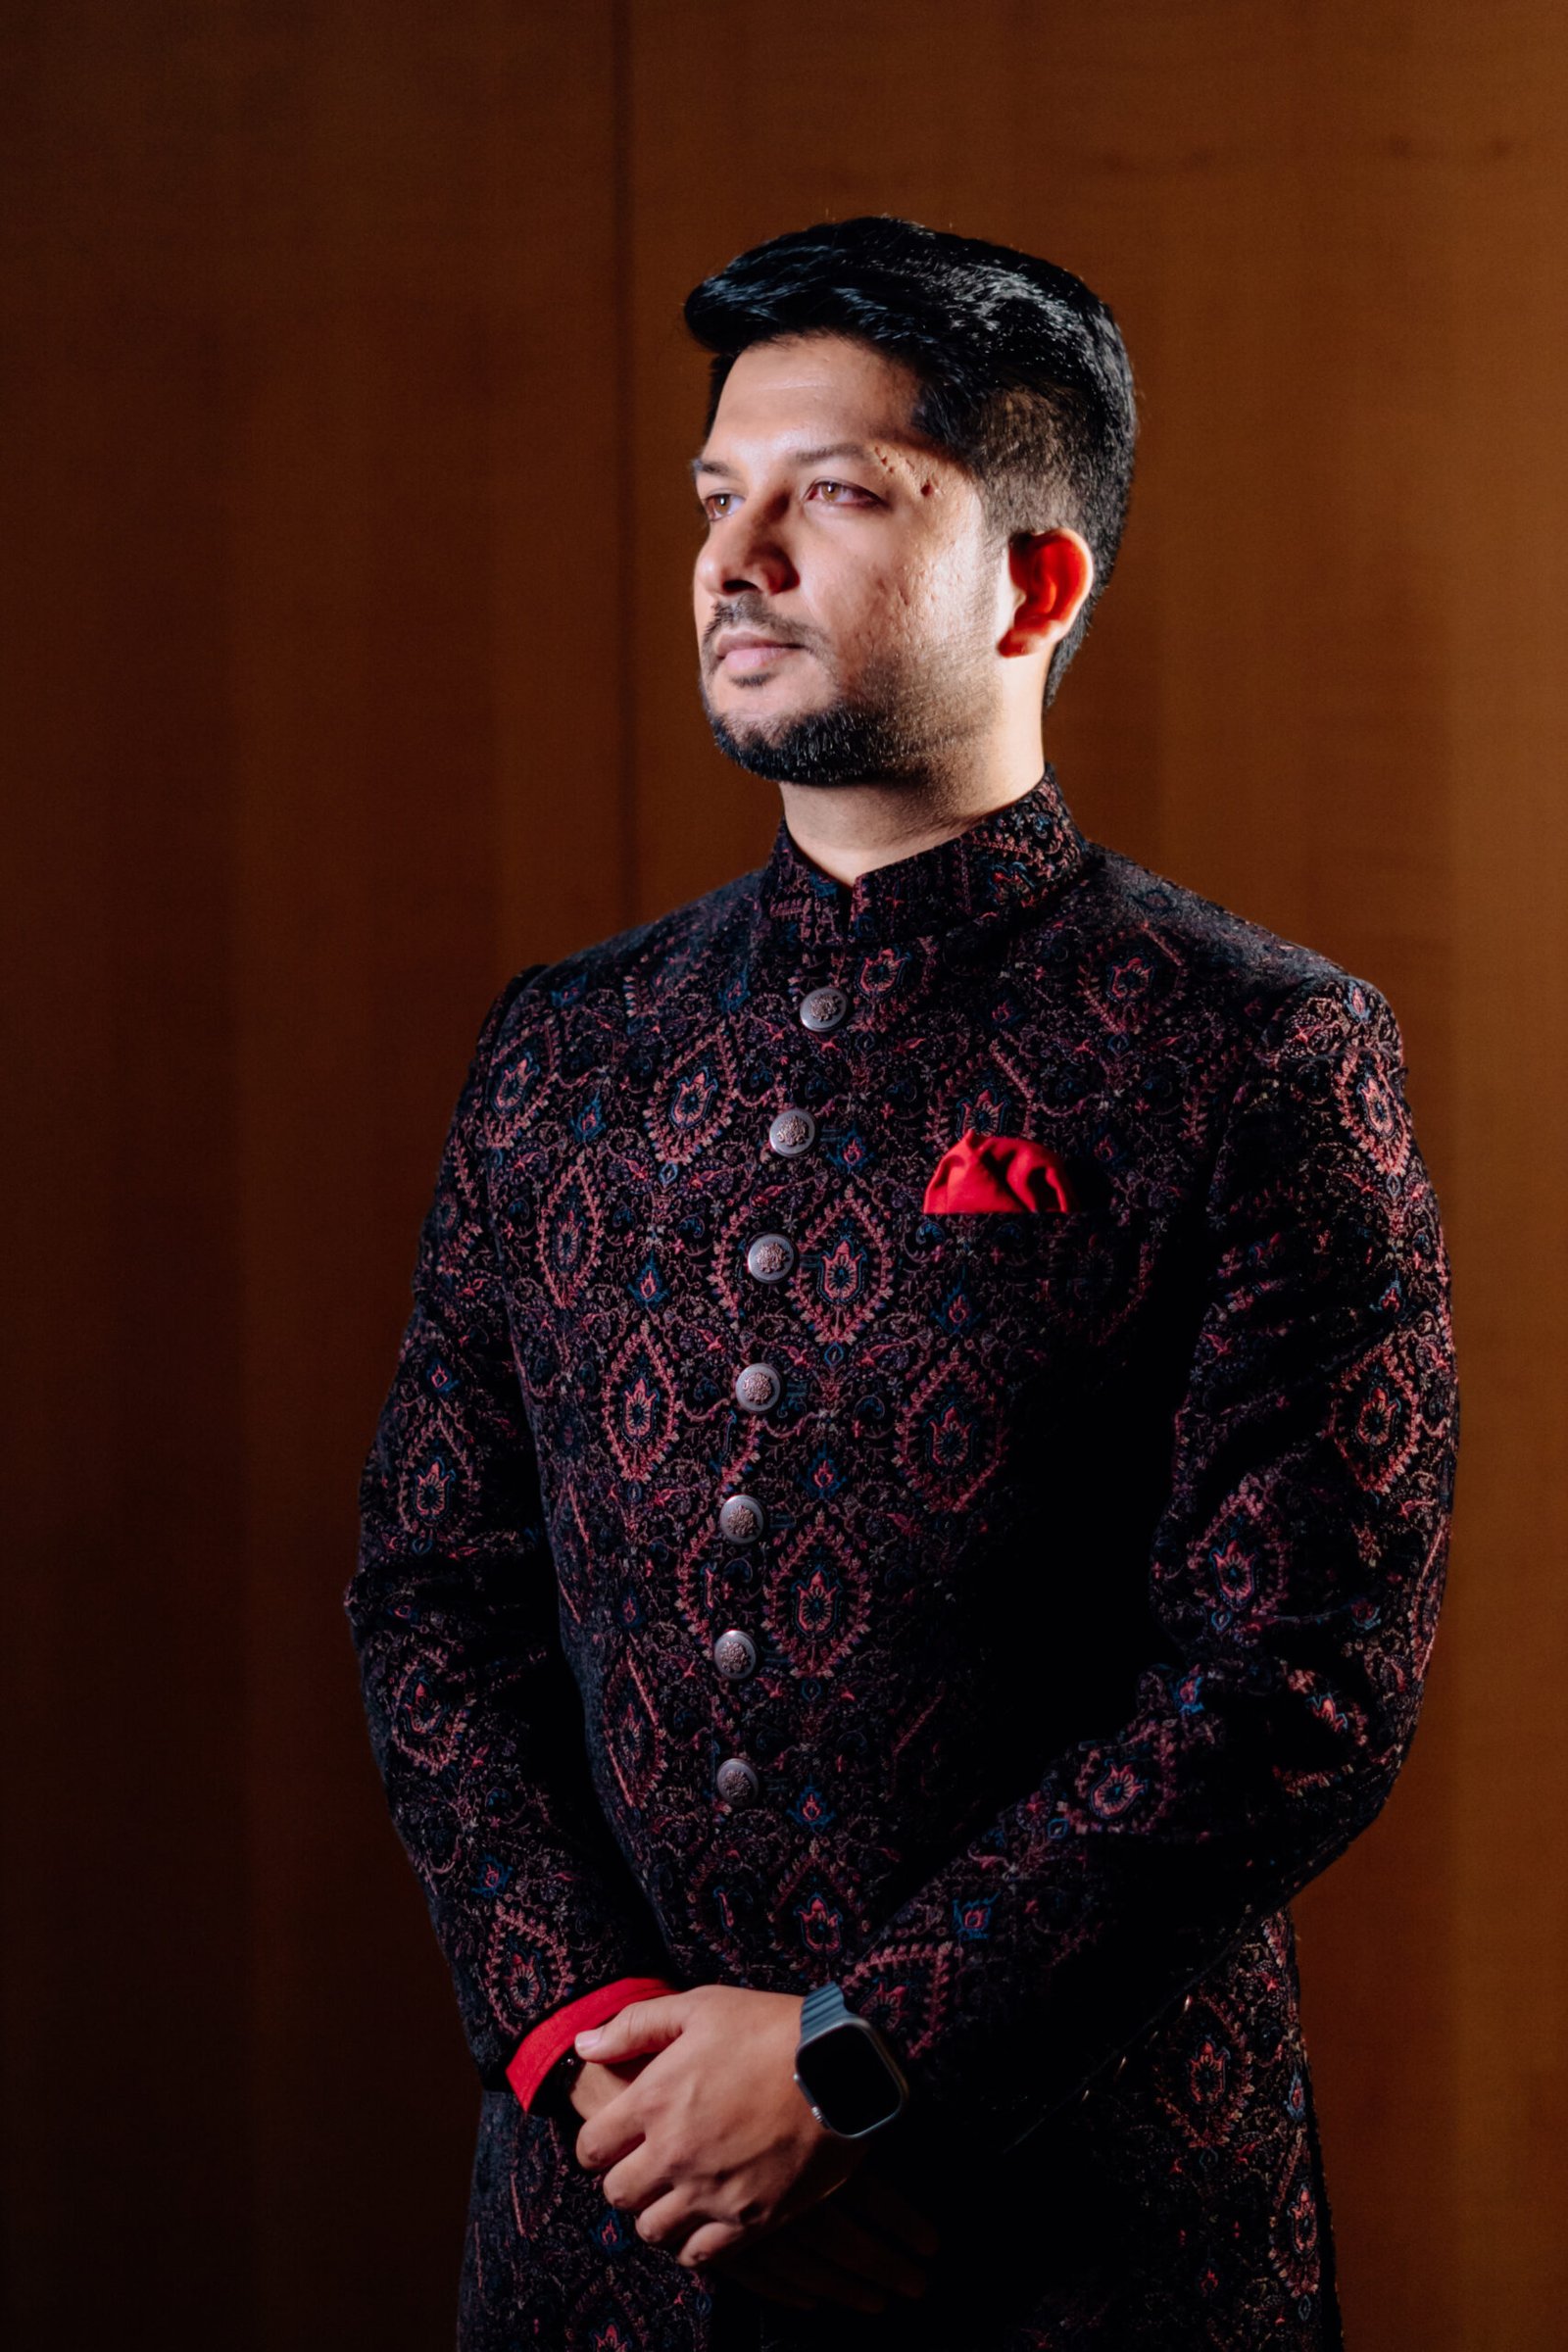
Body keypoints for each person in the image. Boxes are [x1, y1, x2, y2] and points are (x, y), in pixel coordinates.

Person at [347, 215, 1458, 2350]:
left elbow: (1299, 1680)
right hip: (606, 2225)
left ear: (1035, 579)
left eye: (832, 493)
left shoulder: (1250, 1050)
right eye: (713, 496)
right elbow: (431, 1595)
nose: (732, 556)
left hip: (1071, 2233)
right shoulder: (565, 1047)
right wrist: (607, 2067)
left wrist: (857, 2065)